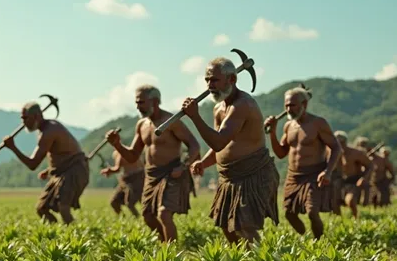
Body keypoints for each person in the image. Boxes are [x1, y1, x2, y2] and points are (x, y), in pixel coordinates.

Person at [182, 57, 280, 245]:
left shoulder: (242, 105)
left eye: (214, 80)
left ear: (232, 80)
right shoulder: (219, 108)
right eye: (207, 80)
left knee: (244, 227)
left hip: (253, 173)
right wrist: (204, 162)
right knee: (227, 227)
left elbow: (219, 142)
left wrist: (194, 117)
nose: (210, 85)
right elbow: (219, 145)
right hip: (230, 177)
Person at [106, 84, 200, 242]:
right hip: (151, 175)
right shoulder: (142, 125)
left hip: (172, 172)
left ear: (155, 101)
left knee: (163, 213)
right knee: (148, 216)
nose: (137, 106)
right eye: (136, 102)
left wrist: (183, 166)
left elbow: (194, 145)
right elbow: (132, 156)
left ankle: (172, 253)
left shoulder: (171, 121)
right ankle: (164, 246)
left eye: (141, 102)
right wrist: (117, 144)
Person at [265, 86, 342, 240]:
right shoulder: (288, 126)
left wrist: (327, 171)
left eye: (292, 105)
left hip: (314, 174)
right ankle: (306, 239)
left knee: (312, 212)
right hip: (293, 176)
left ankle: (319, 242)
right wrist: (273, 133)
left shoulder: (318, 123)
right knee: (288, 213)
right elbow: (281, 153)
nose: (288, 109)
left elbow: (336, 148)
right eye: (286, 105)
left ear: (304, 105)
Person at [3, 102, 89, 224]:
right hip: (61, 172)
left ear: (36, 116)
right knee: (41, 208)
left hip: (75, 170)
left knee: (63, 206)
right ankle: (56, 234)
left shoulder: (50, 131)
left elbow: (33, 164)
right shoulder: (44, 130)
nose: (23, 122)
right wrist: (50, 170)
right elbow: (61, 154)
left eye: (25, 118)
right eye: (22, 118)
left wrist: (13, 147)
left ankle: (75, 235)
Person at [335, 131, 372, 218]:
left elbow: (370, 166)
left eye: (341, 142)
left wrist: (364, 178)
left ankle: (356, 217)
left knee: (350, 201)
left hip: (354, 181)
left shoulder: (356, 153)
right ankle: (339, 221)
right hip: (339, 181)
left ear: (345, 142)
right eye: (337, 142)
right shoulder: (332, 153)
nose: (340, 144)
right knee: (334, 202)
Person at [101, 149, 144, 217]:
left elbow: (117, 168)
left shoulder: (123, 153)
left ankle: (138, 219)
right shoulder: (120, 153)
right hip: (126, 180)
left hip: (136, 179)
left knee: (130, 203)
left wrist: (109, 170)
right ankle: (122, 219)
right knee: (114, 202)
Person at [328, 131, 347, 216]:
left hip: (337, 176)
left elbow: (344, 165)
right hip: (329, 175)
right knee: (329, 198)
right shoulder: (328, 149)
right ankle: (333, 214)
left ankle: (337, 215)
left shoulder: (342, 151)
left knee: (335, 198)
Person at [353, 136, 372, 206]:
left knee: (366, 191)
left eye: (364, 144)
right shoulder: (355, 152)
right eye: (362, 144)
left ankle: (365, 205)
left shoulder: (365, 152)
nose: (363, 145)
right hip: (355, 175)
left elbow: (369, 165)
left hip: (364, 175)